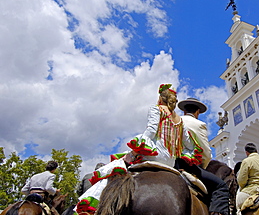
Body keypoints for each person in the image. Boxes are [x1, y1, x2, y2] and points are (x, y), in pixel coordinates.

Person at [75, 84, 202, 214]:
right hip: (170, 162)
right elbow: (189, 144)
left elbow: (151, 130)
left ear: (160, 98)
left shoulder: (157, 109)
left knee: (114, 169)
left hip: (153, 155)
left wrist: (137, 148)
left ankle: (93, 207)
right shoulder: (180, 120)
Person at [175, 98, 230, 215]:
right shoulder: (199, 124)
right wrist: (202, 167)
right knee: (221, 187)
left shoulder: (173, 121)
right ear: (197, 112)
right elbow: (205, 152)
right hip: (187, 165)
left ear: (184, 111)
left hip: (170, 162)